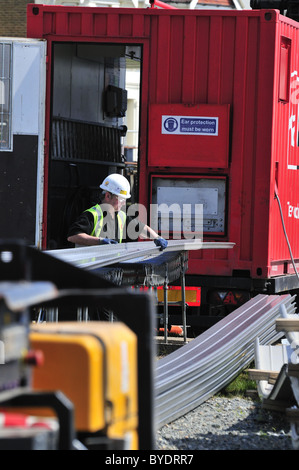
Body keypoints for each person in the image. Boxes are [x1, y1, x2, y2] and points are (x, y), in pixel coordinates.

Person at [67, 173, 168, 250]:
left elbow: (141, 228)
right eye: (120, 199)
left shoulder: (121, 217)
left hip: (110, 270)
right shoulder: (91, 215)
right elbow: (73, 236)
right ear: (107, 196)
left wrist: (157, 238)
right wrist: (100, 241)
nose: (123, 203)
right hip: (89, 270)